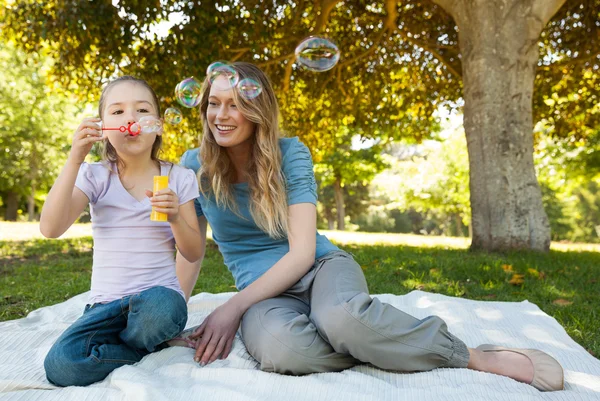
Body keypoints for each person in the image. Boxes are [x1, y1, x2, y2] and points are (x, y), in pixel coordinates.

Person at [177, 62, 564, 392]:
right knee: (283, 351)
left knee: (341, 318)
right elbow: (190, 251)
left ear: (257, 109)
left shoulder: (289, 153)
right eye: (214, 104)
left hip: (318, 269)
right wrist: (177, 311)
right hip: (264, 296)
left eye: (235, 104)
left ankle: (472, 355)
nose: (220, 115)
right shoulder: (194, 166)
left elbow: (302, 254)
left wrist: (232, 308)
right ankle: (374, 342)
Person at [39, 76, 203, 387]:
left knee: (163, 308)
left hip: (157, 304)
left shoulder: (179, 178)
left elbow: (193, 252)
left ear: (158, 125)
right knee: (61, 365)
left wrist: (175, 219)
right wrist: (75, 158)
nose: (130, 119)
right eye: (117, 112)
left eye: (142, 110)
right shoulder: (95, 176)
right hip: (104, 309)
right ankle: (145, 349)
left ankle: (134, 341)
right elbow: (51, 228)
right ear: (102, 129)